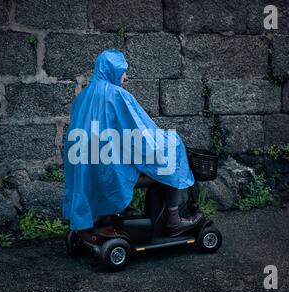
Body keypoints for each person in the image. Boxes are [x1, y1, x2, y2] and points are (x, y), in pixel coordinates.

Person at [62, 49, 202, 237]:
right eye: (123, 71)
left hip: (86, 171)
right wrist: (171, 141)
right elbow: (140, 135)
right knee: (170, 160)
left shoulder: (83, 97)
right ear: (112, 71)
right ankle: (173, 220)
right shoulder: (117, 95)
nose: (126, 77)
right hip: (109, 172)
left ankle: (109, 216)